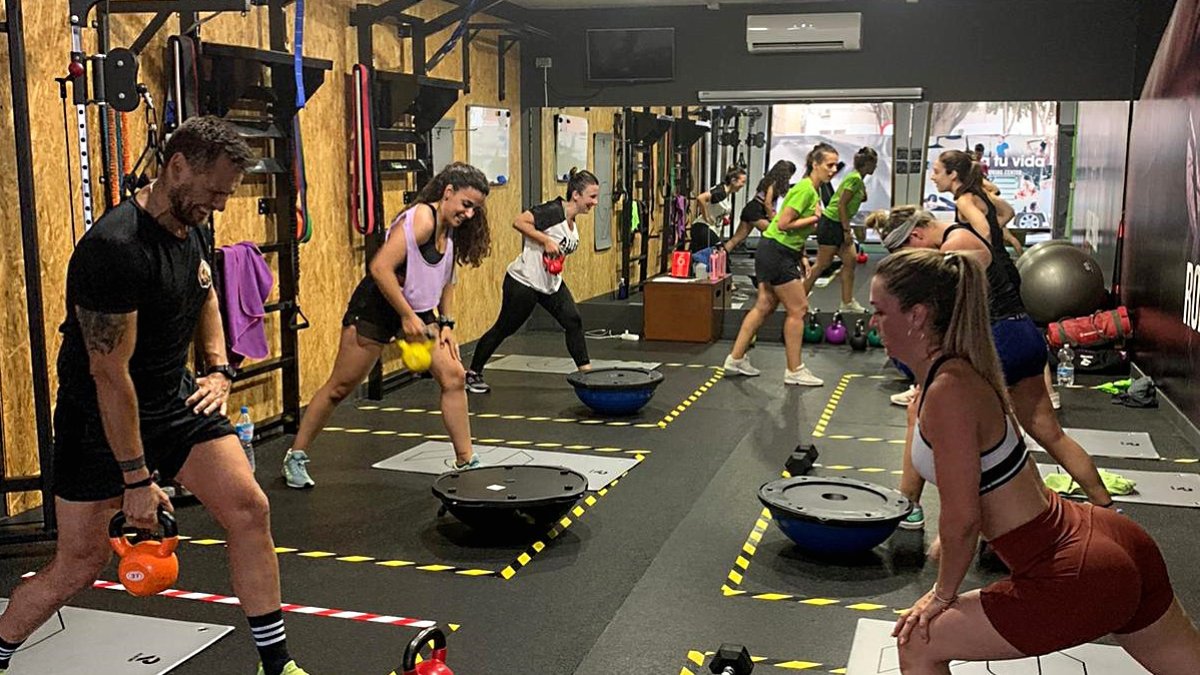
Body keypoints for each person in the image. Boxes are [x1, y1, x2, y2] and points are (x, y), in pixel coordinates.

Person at [0, 117, 308, 675]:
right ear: (177, 166)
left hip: (173, 403)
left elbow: (204, 290)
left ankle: (277, 664)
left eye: (226, 194)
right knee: (79, 564)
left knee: (249, 510)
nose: (219, 204)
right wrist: (137, 481)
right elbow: (108, 375)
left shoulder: (194, 222)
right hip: (100, 420)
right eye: (214, 190)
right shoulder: (115, 248)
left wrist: (218, 369)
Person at [873, 249, 1200, 674]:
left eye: (880, 311)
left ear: (916, 316)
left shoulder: (948, 391)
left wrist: (941, 594)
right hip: (1109, 539)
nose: (873, 322)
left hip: (1075, 567)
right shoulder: (960, 372)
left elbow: (963, 520)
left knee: (919, 641)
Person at [870, 201, 1112, 534]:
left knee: (921, 413)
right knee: (1045, 432)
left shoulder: (953, 248)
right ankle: (1106, 508)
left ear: (916, 235)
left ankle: (909, 507)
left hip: (999, 342)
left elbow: (949, 314)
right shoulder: (962, 232)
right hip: (1024, 333)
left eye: (906, 252)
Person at [283, 162, 492, 488]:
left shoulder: (452, 229)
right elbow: (380, 267)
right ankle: (295, 456)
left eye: (475, 208)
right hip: (379, 305)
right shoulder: (422, 219)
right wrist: (406, 316)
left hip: (416, 308)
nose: (469, 214)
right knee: (340, 387)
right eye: (466, 204)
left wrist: (446, 322)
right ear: (448, 192)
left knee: (454, 377)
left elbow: (447, 278)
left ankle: (466, 460)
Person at [465, 170, 600, 393]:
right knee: (504, 328)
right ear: (576, 195)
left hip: (550, 283)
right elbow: (519, 221)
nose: (594, 202)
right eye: (592, 197)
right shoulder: (554, 211)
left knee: (573, 320)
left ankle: (587, 375)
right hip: (524, 282)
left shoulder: (571, 220)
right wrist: (545, 240)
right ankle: (473, 373)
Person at [722, 145, 837, 386]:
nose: (834, 170)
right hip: (777, 252)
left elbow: (791, 228)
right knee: (799, 309)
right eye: (829, 165)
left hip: (775, 249)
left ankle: (735, 359)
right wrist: (816, 218)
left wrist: (801, 256)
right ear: (815, 164)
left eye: (836, 165)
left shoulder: (811, 190)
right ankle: (795, 370)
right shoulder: (805, 190)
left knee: (764, 305)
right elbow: (784, 223)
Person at [804, 147, 878, 312]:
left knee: (850, 261)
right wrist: (846, 231)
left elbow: (856, 198)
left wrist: (861, 194)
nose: (876, 167)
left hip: (838, 224)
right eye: (874, 163)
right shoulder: (854, 179)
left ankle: (847, 303)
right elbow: (841, 205)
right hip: (831, 224)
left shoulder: (857, 179)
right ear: (867, 164)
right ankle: (799, 301)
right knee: (822, 265)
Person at [723, 160, 795, 255]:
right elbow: (767, 203)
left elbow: (758, 197)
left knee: (736, 239)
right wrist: (773, 218)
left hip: (751, 208)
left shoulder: (766, 181)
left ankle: (719, 257)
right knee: (775, 233)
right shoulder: (774, 184)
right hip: (756, 211)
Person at [689, 167, 748, 253]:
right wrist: (707, 217)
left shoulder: (726, 194)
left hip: (711, 229)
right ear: (733, 181)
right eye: (742, 182)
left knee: (708, 256)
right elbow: (701, 198)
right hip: (703, 227)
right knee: (720, 252)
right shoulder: (720, 191)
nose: (743, 185)